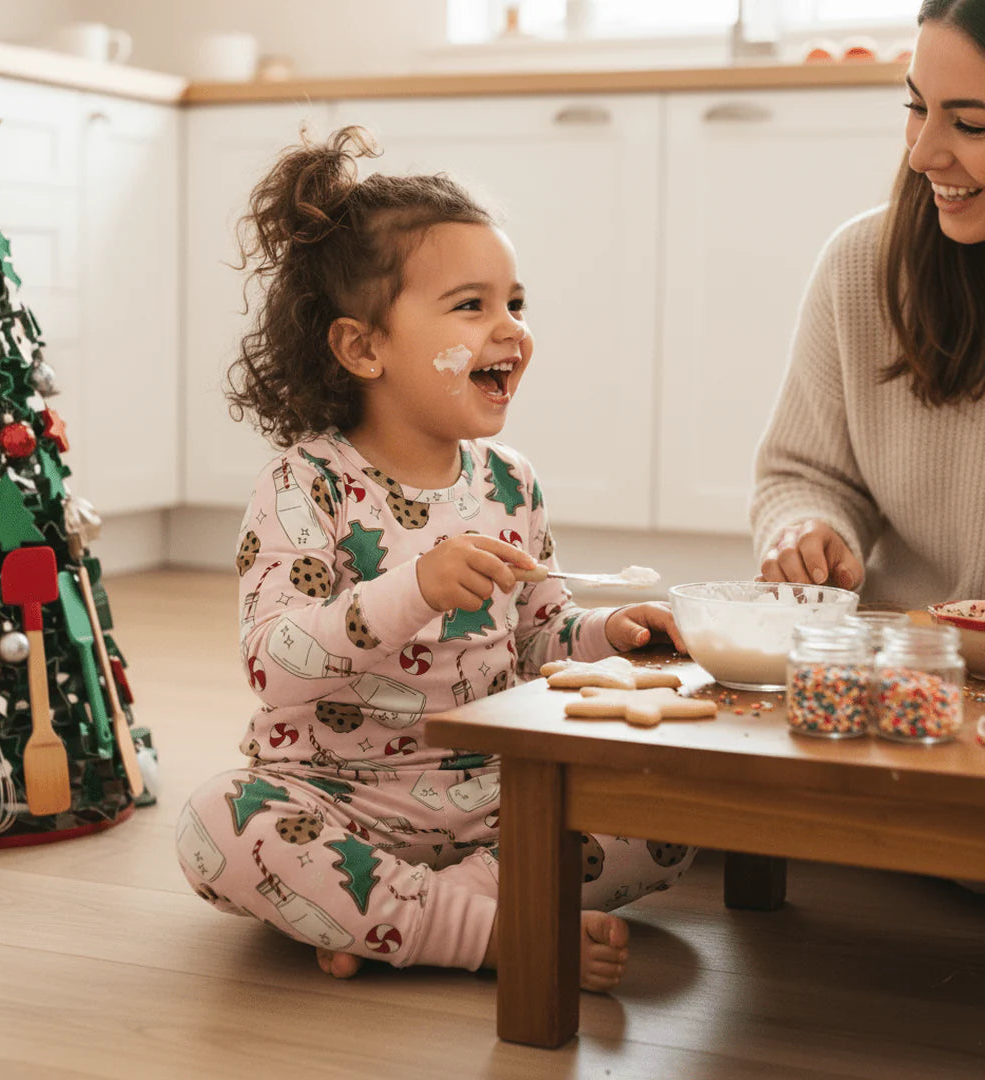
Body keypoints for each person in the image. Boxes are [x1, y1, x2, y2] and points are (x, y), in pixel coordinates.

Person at [176, 126, 695, 991]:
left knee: (668, 817)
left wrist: (609, 634)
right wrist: (413, 586)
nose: (510, 330)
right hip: (334, 793)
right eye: (471, 306)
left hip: (498, 797)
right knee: (214, 824)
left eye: (516, 303)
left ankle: (411, 919)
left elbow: (532, 642)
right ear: (363, 348)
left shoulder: (511, 483)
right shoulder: (306, 484)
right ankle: (498, 932)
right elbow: (275, 664)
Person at [752, 0, 985, 609]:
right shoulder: (862, 264)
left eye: (972, 125)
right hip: (906, 656)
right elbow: (806, 474)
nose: (922, 154)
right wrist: (810, 529)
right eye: (916, 107)